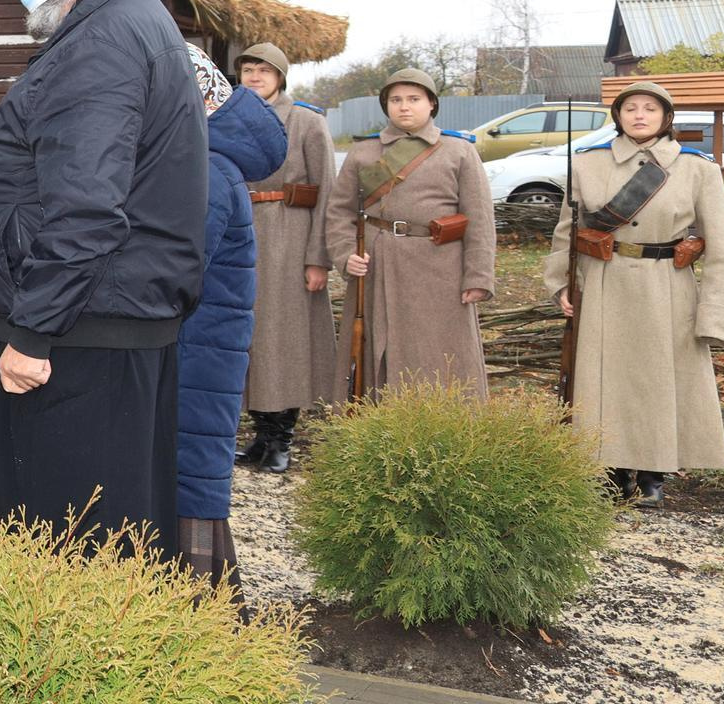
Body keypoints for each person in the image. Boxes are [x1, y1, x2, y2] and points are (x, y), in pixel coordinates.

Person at [0, 0, 208, 557]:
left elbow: (87, 207)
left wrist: (33, 332)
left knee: (59, 559)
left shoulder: (103, 43)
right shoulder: (134, 22)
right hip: (104, 328)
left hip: (78, 345)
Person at [543, 80, 724, 506]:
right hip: (604, 282)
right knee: (607, 379)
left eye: (650, 108)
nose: (639, 115)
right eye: (630, 107)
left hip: (667, 287)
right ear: (618, 116)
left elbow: (722, 248)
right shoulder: (588, 163)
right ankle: (612, 470)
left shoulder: (696, 168)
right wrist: (560, 282)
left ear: (666, 118)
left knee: (659, 381)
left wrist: (716, 313)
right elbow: (567, 231)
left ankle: (653, 473)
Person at [175, 46, 285, 591]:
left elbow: (173, 275)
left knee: (188, 496)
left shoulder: (207, 171)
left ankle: (200, 638)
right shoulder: (201, 159)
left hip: (192, 362)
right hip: (195, 358)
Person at [325, 68, 494, 402]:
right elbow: (339, 212)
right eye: (396, 100)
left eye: (414, 99)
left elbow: (480, 220)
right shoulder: (363, 153)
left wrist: (478, 276)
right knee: (377, 353)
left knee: (441, 355)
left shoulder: (459, 151)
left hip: (441, 267)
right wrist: (346, 255)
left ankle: (444, 428)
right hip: (379, 265)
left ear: (431, 104)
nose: (404, 107)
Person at [234, 42, 337, 471]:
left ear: (280, 76)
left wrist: (318, 258)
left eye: (263, 70)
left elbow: (329, 193)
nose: (254, 77)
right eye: (247, 70)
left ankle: (282, 439)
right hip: (241, 234)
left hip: (290, 239)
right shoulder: (228, 119)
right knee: (251, 337)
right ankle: (260, 435)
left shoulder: (307, 123)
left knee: (285, 340)